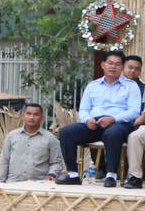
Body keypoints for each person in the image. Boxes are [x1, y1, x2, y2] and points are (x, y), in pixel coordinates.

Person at [57, 50, 140, 188]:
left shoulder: (131, 86)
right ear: (103, 65)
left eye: (117, 64)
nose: (113, 67)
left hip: (120, 124)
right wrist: (87, 119)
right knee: (66, 132)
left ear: (122, 67)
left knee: (112, 133)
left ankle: (111, 175)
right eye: (110, 63)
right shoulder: (93, 85)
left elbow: (134, 111)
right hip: (95, 124)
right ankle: (73, 175)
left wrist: (113, 118)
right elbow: (84, 109)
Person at [0, 103, 62, 183]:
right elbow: (4, 161)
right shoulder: (11, 136)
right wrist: (0, 183)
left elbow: (56, 162)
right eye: (28, 114)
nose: (31, 117)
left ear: (42, 118)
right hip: (13, 184)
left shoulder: (50, 139)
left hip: (39, 185)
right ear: (23, 116)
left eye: (36, 114)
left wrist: (52, 174)